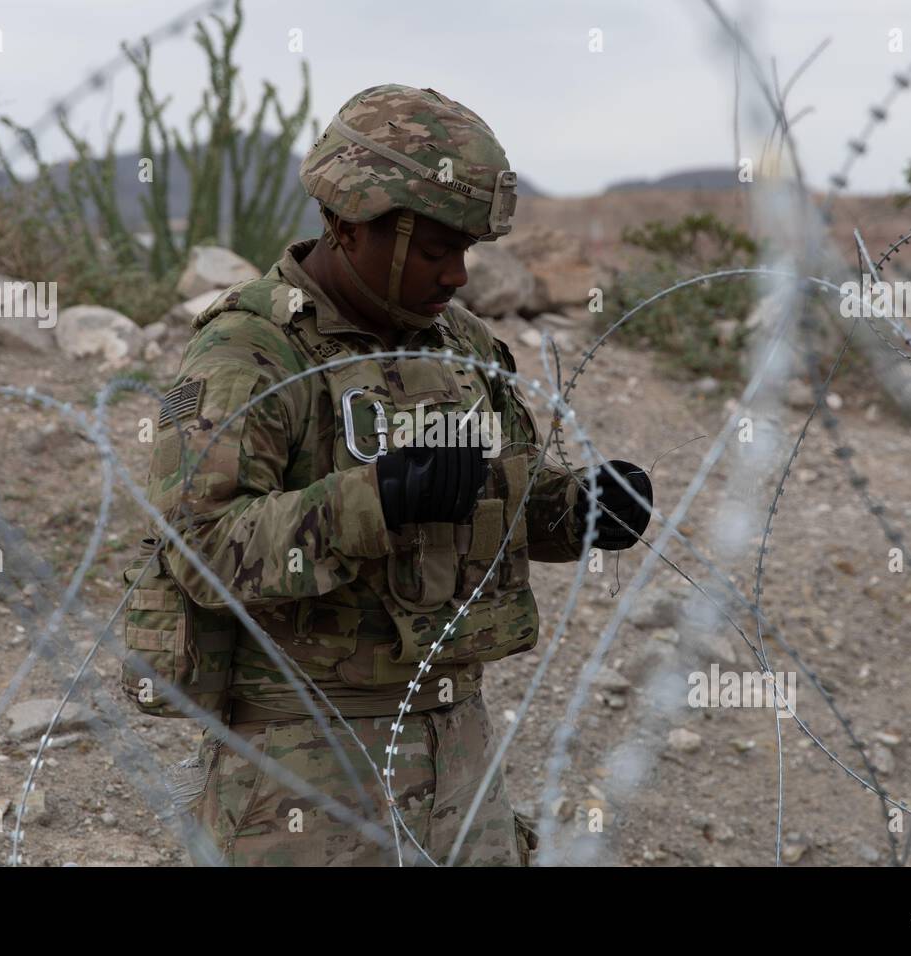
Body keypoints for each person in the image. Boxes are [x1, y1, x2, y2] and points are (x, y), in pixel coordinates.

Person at [138, 83, 652, 865]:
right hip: (305, 763)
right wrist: (371, 502)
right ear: (349, 226)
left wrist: (578, 510)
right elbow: (201, 547)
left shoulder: (464, 346)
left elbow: (500, 492)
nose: (456, 276)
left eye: (467, 253)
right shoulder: (251, 351)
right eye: (437, 251)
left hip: (457, 747)